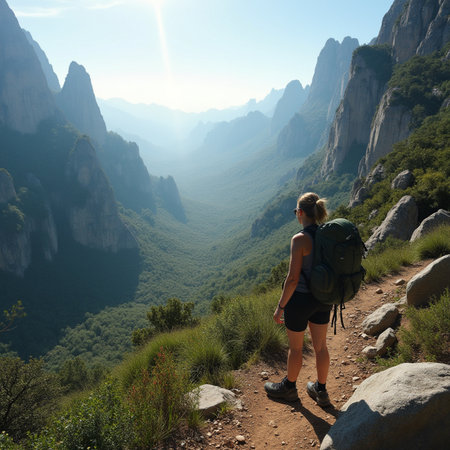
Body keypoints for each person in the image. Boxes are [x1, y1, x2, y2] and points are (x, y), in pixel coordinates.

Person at [264, 192, 332, 407]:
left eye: (296, 211)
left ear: (301, 213)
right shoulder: (327, 234)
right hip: (323, 298)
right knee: (321, 347)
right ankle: (321, 391)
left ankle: (289, 388)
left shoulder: (299, 239)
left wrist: (280, 307)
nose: (296, 215)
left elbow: (292, 279)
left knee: (296, 348)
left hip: (300, 300)